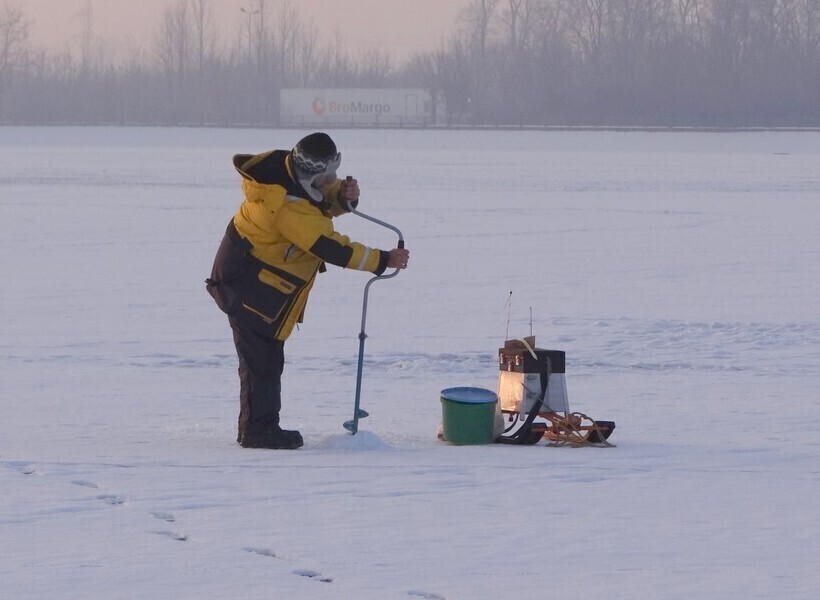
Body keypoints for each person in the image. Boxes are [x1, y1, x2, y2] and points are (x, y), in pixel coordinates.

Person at [206, 132, 409, 449]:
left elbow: (315, 197)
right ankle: (257, 431)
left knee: (267, 360)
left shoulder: (288, 169)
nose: (333, 177)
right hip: (248, 285)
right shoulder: (287, 208)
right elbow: (331, 247)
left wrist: (342, 198)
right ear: (318, 170)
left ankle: (261, 426)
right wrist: (383, 260)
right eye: (331, 171)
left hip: (253, 280)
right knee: (261, 362)